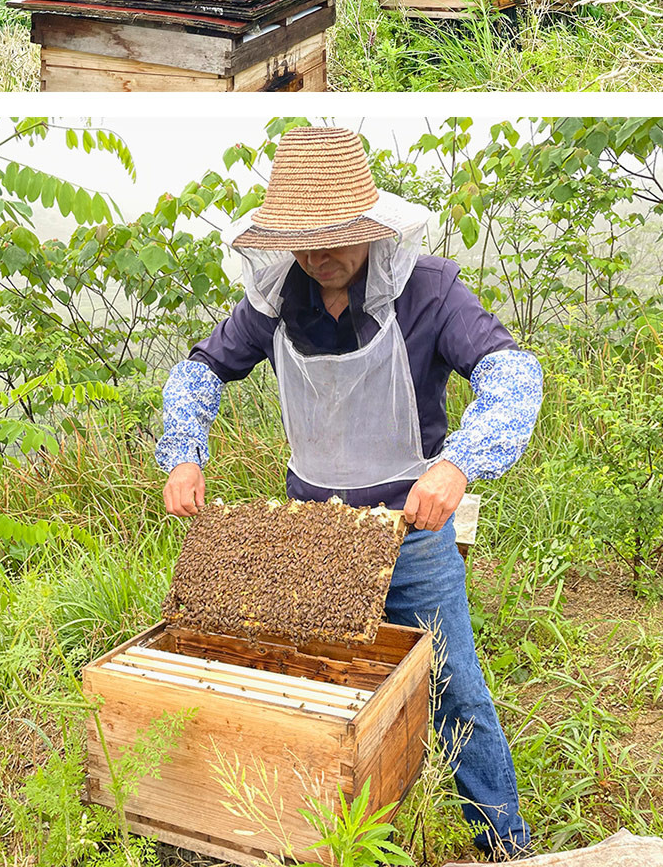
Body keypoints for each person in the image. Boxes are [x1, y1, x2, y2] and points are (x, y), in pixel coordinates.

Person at [156, 126, 543, 863]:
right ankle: (323, 835)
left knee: (455, 687)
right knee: (321, 691)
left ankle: (505, 842)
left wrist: (457, 465)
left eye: (334, 236)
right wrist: (182, 452)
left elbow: (514, 374)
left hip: (411, 531)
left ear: (369, 227)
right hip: (314, 533)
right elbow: (199, 371)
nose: (318, 254)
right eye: (303, 239)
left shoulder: (427, 288)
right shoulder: (276, 298)